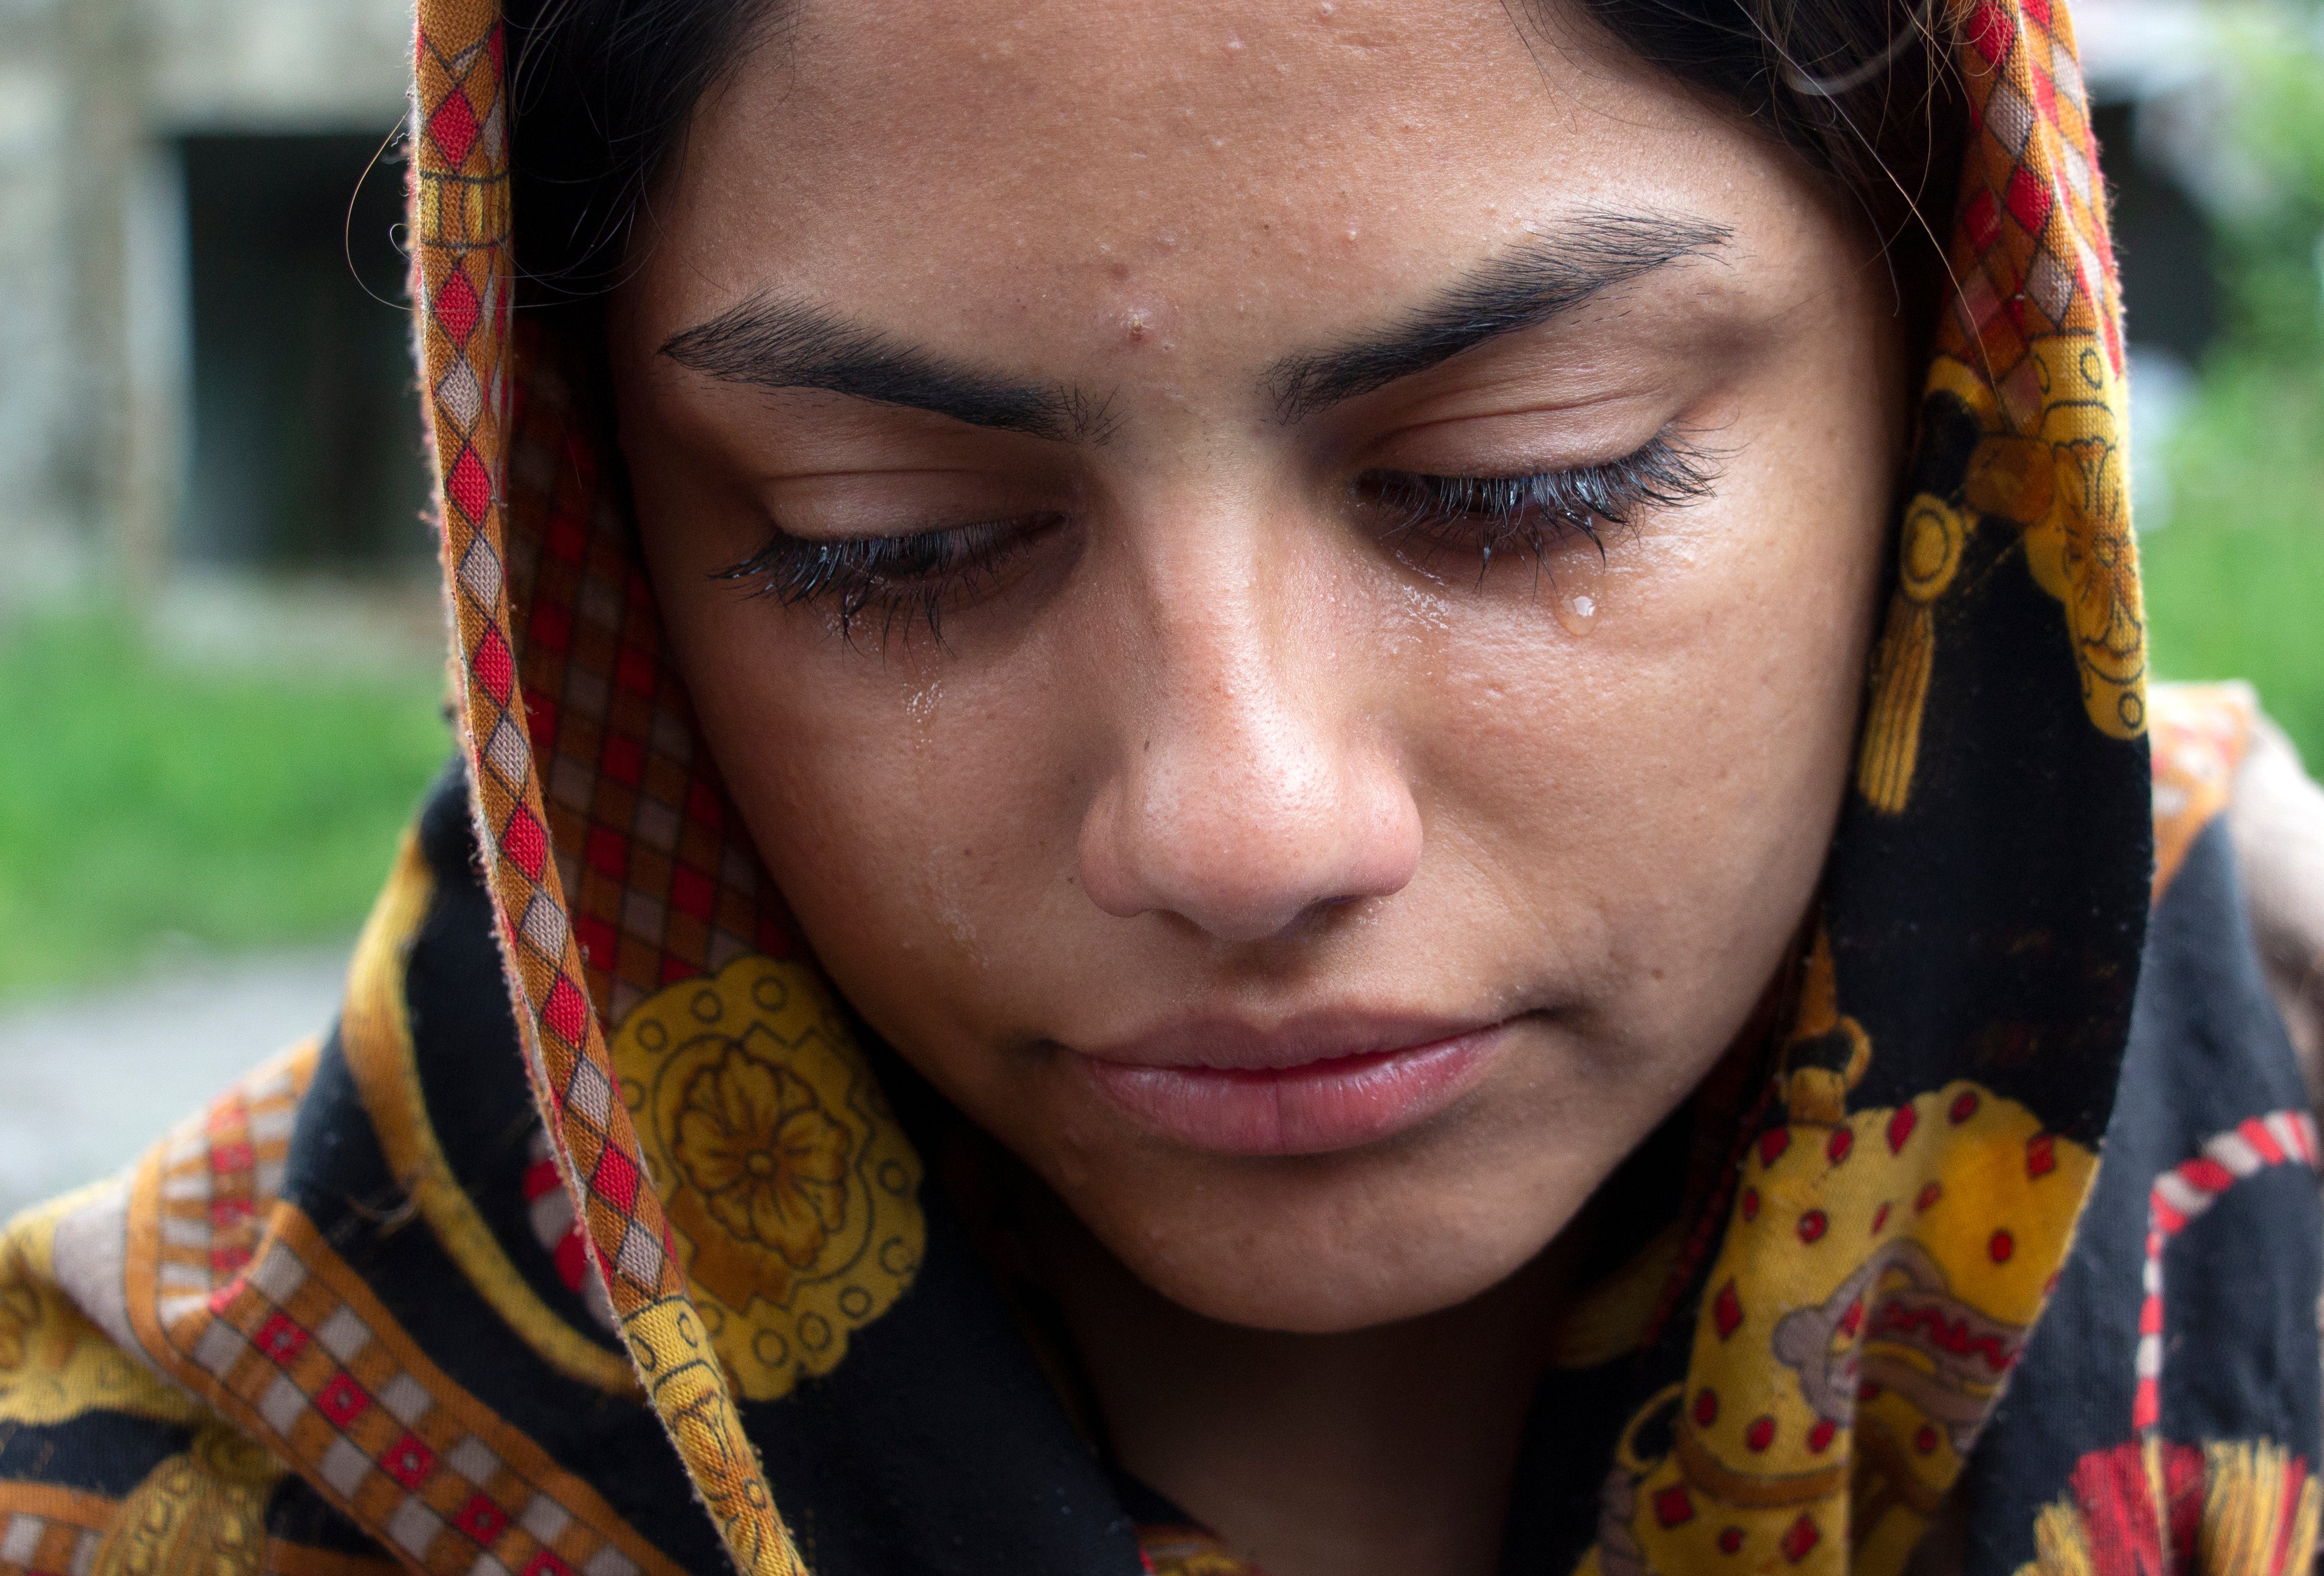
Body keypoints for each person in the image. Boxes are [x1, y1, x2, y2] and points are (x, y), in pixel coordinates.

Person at [4, 0, 2324, 1572]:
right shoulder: (156, 1495)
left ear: (1958, 388)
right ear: (584, 546)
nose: (1242, 824)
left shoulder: (2267, 1201)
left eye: (1526, 480)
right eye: (881, 533)